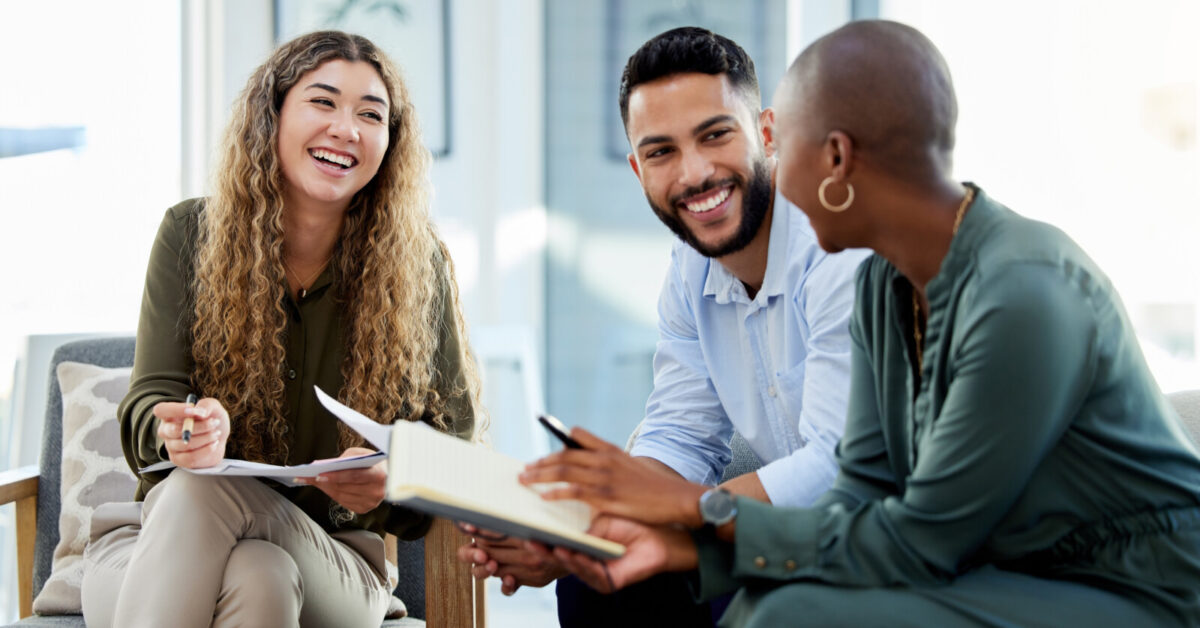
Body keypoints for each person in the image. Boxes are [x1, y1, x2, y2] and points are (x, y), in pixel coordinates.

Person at [524, 19, 1200, 627]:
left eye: (784, 144)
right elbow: (859, 490)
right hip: (986, 558)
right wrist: (661, 536)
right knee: (758, 599)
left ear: (836, 159)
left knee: (796, 614)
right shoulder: (886, 282)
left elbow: (921, 537)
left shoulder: (1024, 291)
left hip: (1131, 583)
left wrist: (687, 518)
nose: (772, 176)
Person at [458, 27, 866, 627]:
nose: (695, 173)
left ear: (767, 132)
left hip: (864, 536)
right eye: (661, 152)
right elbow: (681, 435)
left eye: (715, 135)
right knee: (599, 582)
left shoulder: (837, 250)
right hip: (769, 528)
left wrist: (672, 507)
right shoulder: (689, 267)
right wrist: (574, 534)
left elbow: (834, 466)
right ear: (637, 167)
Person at [79, 31, 479, 628]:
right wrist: (183, 433)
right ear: (273, 114)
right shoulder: (191, 235)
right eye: (323, 102)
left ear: (390, 142)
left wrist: (392, 480)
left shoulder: (419, 268)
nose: (347, 128)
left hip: (335, 561)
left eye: (371, 114)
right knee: (256, 574)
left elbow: (455, 451)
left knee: (205, 497)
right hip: (151, 546)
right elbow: (149, 403)